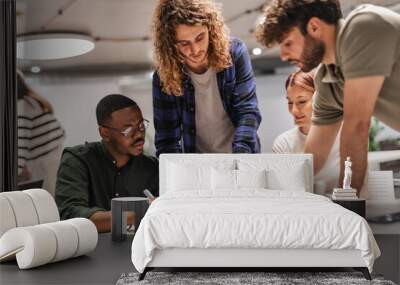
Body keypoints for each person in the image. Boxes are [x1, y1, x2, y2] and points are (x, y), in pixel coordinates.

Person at [256, 0, 400, 193]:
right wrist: (273, 191)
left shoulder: (363, 26)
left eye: (288, 43)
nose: (283, 55)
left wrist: (350, 207)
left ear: (314, 27)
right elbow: (313, 158)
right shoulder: (327, 82)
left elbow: (357, 126)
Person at [152, 0, 262, 156]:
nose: (195, 50)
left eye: (199, 38)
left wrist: (240, 157)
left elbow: (248, 111)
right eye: (184, 43)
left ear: (210, 29)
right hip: (198, 166)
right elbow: (167, 139)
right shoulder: (164, 75)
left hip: (241, 155)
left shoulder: (234, 53)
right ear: (170, 44)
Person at [55, 94, 158, 233]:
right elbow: (71, 216)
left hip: (141, 250)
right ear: (105, 133)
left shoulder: (152, 167)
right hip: (91, 251)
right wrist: (137, 214)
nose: (139, 134)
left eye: (141, 125)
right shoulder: (78, 161)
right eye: (128, 130)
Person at [272, 70, 340, 195]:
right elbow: (286, 190)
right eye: (290, 102)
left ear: (321, 99)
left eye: (302, 101)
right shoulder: (284, 143)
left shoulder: (342, 136)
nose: (294, 110)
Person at [17, 71, 65, 196]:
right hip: (49, 159)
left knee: (48, 205)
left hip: (44, 165)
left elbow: (19, 154)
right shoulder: (30, 100)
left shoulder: (20, 106)